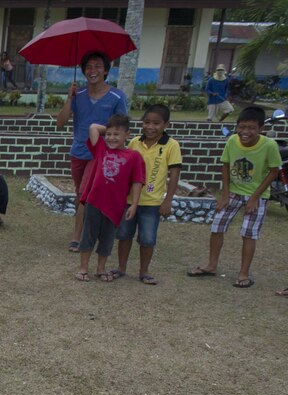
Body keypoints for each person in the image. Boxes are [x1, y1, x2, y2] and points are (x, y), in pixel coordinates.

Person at [187, 106, 281, 288]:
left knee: (248, 233)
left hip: (257, 194)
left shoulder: (269, 145)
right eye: (242, 127)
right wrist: (224, 195)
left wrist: (255, 197)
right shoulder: (232, 141)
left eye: (251, 128)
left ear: (261, 129)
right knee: (217, 226)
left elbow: (273, 171)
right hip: (234, 192)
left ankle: (244, 273)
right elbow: (226, 165)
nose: (245, 132)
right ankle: (211, 265)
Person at [56, 51, 128, 252]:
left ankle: (78, 238)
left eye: (97, 66)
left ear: (106, 70)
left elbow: (122, 126)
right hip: (78, 152)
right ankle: (95, 230)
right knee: (82, 193)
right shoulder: (77, 95)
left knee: (84, 195)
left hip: (101, 154)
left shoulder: (116, 96)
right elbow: (60, 123)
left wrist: (100, 130)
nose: (92, 70)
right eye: (88, 67)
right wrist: (69, 99)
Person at [113, 104, 182, 285]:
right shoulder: (135, 142)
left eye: (156, 123)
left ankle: (144, 272)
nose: (151, 127)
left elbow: (174, 173)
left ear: (166, 125)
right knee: (124, 234)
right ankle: (121, 268)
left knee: (147, 238)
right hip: (129, 200)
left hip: (152, 202)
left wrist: (168, 200)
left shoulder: (171, 145)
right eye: (147, 122)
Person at [74, 116, 144, 283]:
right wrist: (111, 128)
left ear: (127, 135)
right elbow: (93, 127)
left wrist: (134, 204)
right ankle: (83, 267)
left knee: (107, 238)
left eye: (117, 134)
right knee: (88, 235)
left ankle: (101, 268)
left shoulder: (133, 156)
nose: (111, 138)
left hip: (115, 206)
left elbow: (137, 181)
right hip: (95, 201)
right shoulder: (101, 149)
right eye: (109, 134)